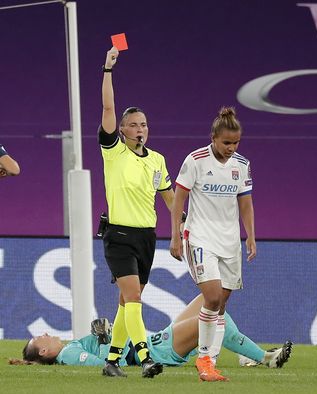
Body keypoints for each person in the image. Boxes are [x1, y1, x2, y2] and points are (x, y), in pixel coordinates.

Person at [98, 46, 174, 378]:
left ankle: (112, 362)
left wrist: (184, 223)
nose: (140, 128)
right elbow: (108, 106)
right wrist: (108, 69)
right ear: (123, 131)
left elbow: (171, 198)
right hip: (119, 237)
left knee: (127, 303)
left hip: (147, 236)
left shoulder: (157, 160)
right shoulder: (113, 152)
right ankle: (145, 358)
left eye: (143, 124)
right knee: (133, 298)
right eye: (133, 125)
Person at [170, 107, 256, 382]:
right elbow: (178, 200)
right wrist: (175, 235)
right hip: (200, 238)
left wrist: (250, 236)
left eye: (236, 142)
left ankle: (211, 361)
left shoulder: (241, 165)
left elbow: (245, 204)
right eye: (227, 142)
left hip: (229, 242)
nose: (231, 148)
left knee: (221, 304)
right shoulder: (195, 160)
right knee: (213, 297)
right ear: (214, 138)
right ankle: (204, 358)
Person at [12, 294, 292, 370]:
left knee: (211, 300)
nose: (46, 333)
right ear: (45, 351)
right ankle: (265, 358)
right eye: (40, 338)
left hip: (155, 338)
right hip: (158, 349)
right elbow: (113, 363)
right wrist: (105, 339)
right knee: (214, 314)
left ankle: (251, 357)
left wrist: (106, 334)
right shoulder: (71, 355)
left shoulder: (72, 347)